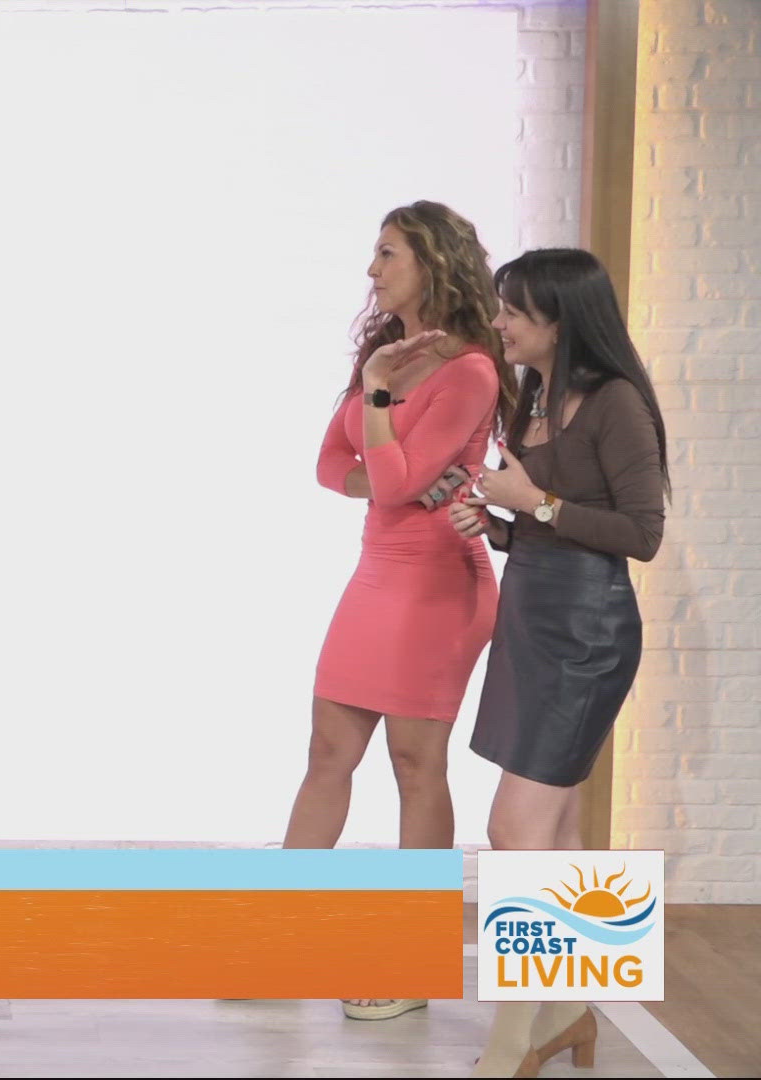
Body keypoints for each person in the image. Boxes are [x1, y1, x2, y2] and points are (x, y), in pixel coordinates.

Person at [286, 200, 517, 1021]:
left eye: (387, 253)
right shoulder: (382, 354)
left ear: (431, 262)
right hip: (377, 574)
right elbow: (333, 465)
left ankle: (412, 962)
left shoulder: (472, 370)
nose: (372, 270)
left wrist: (381, 417)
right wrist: (385, 461)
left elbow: (395, 480)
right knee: (326, 752)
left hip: (439, 586)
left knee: (416, 765)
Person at [450, 248, 668, 1077]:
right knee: (557, 829)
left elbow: (640, 535)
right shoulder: (533, 397)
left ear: (561, 318)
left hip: (586, 630)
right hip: (531, 619)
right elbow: (546, 524)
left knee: (514, 829)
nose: (499, 322)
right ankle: (572, 1013)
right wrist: (499, 523)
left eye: (513, 310)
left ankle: (514, 1039)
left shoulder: (616, 403)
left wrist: (534, 503)